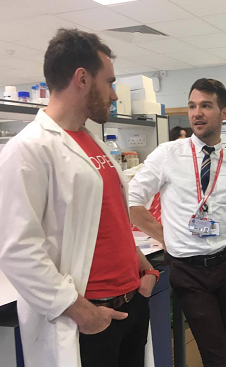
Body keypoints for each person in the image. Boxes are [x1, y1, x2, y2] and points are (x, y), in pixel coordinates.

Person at [0, 28, 157, 367]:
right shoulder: (28, 150)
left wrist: (140, 264)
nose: (114, 95)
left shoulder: (91, 140)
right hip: (88, 318)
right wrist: (79, 311)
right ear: (82, 78)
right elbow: (17, 249)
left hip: (130, 302)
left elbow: (107, 217)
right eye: (110, 82)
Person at [129, 78, 226, 367]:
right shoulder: (168, 155)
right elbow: (130, 202)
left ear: (224, 113)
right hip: (189, 271)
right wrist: (164, 235)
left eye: (205, 105)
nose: (196, 113)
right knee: (214, 354)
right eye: (192, 106)